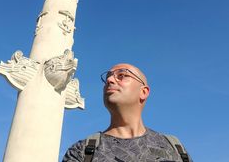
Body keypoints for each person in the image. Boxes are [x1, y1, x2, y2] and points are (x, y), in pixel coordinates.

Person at [62, 63, 193, 162]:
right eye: (108, 77)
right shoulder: (82, 151)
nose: (109, 80)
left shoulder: (175, 147)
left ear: (144, 92)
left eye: (122, 75)